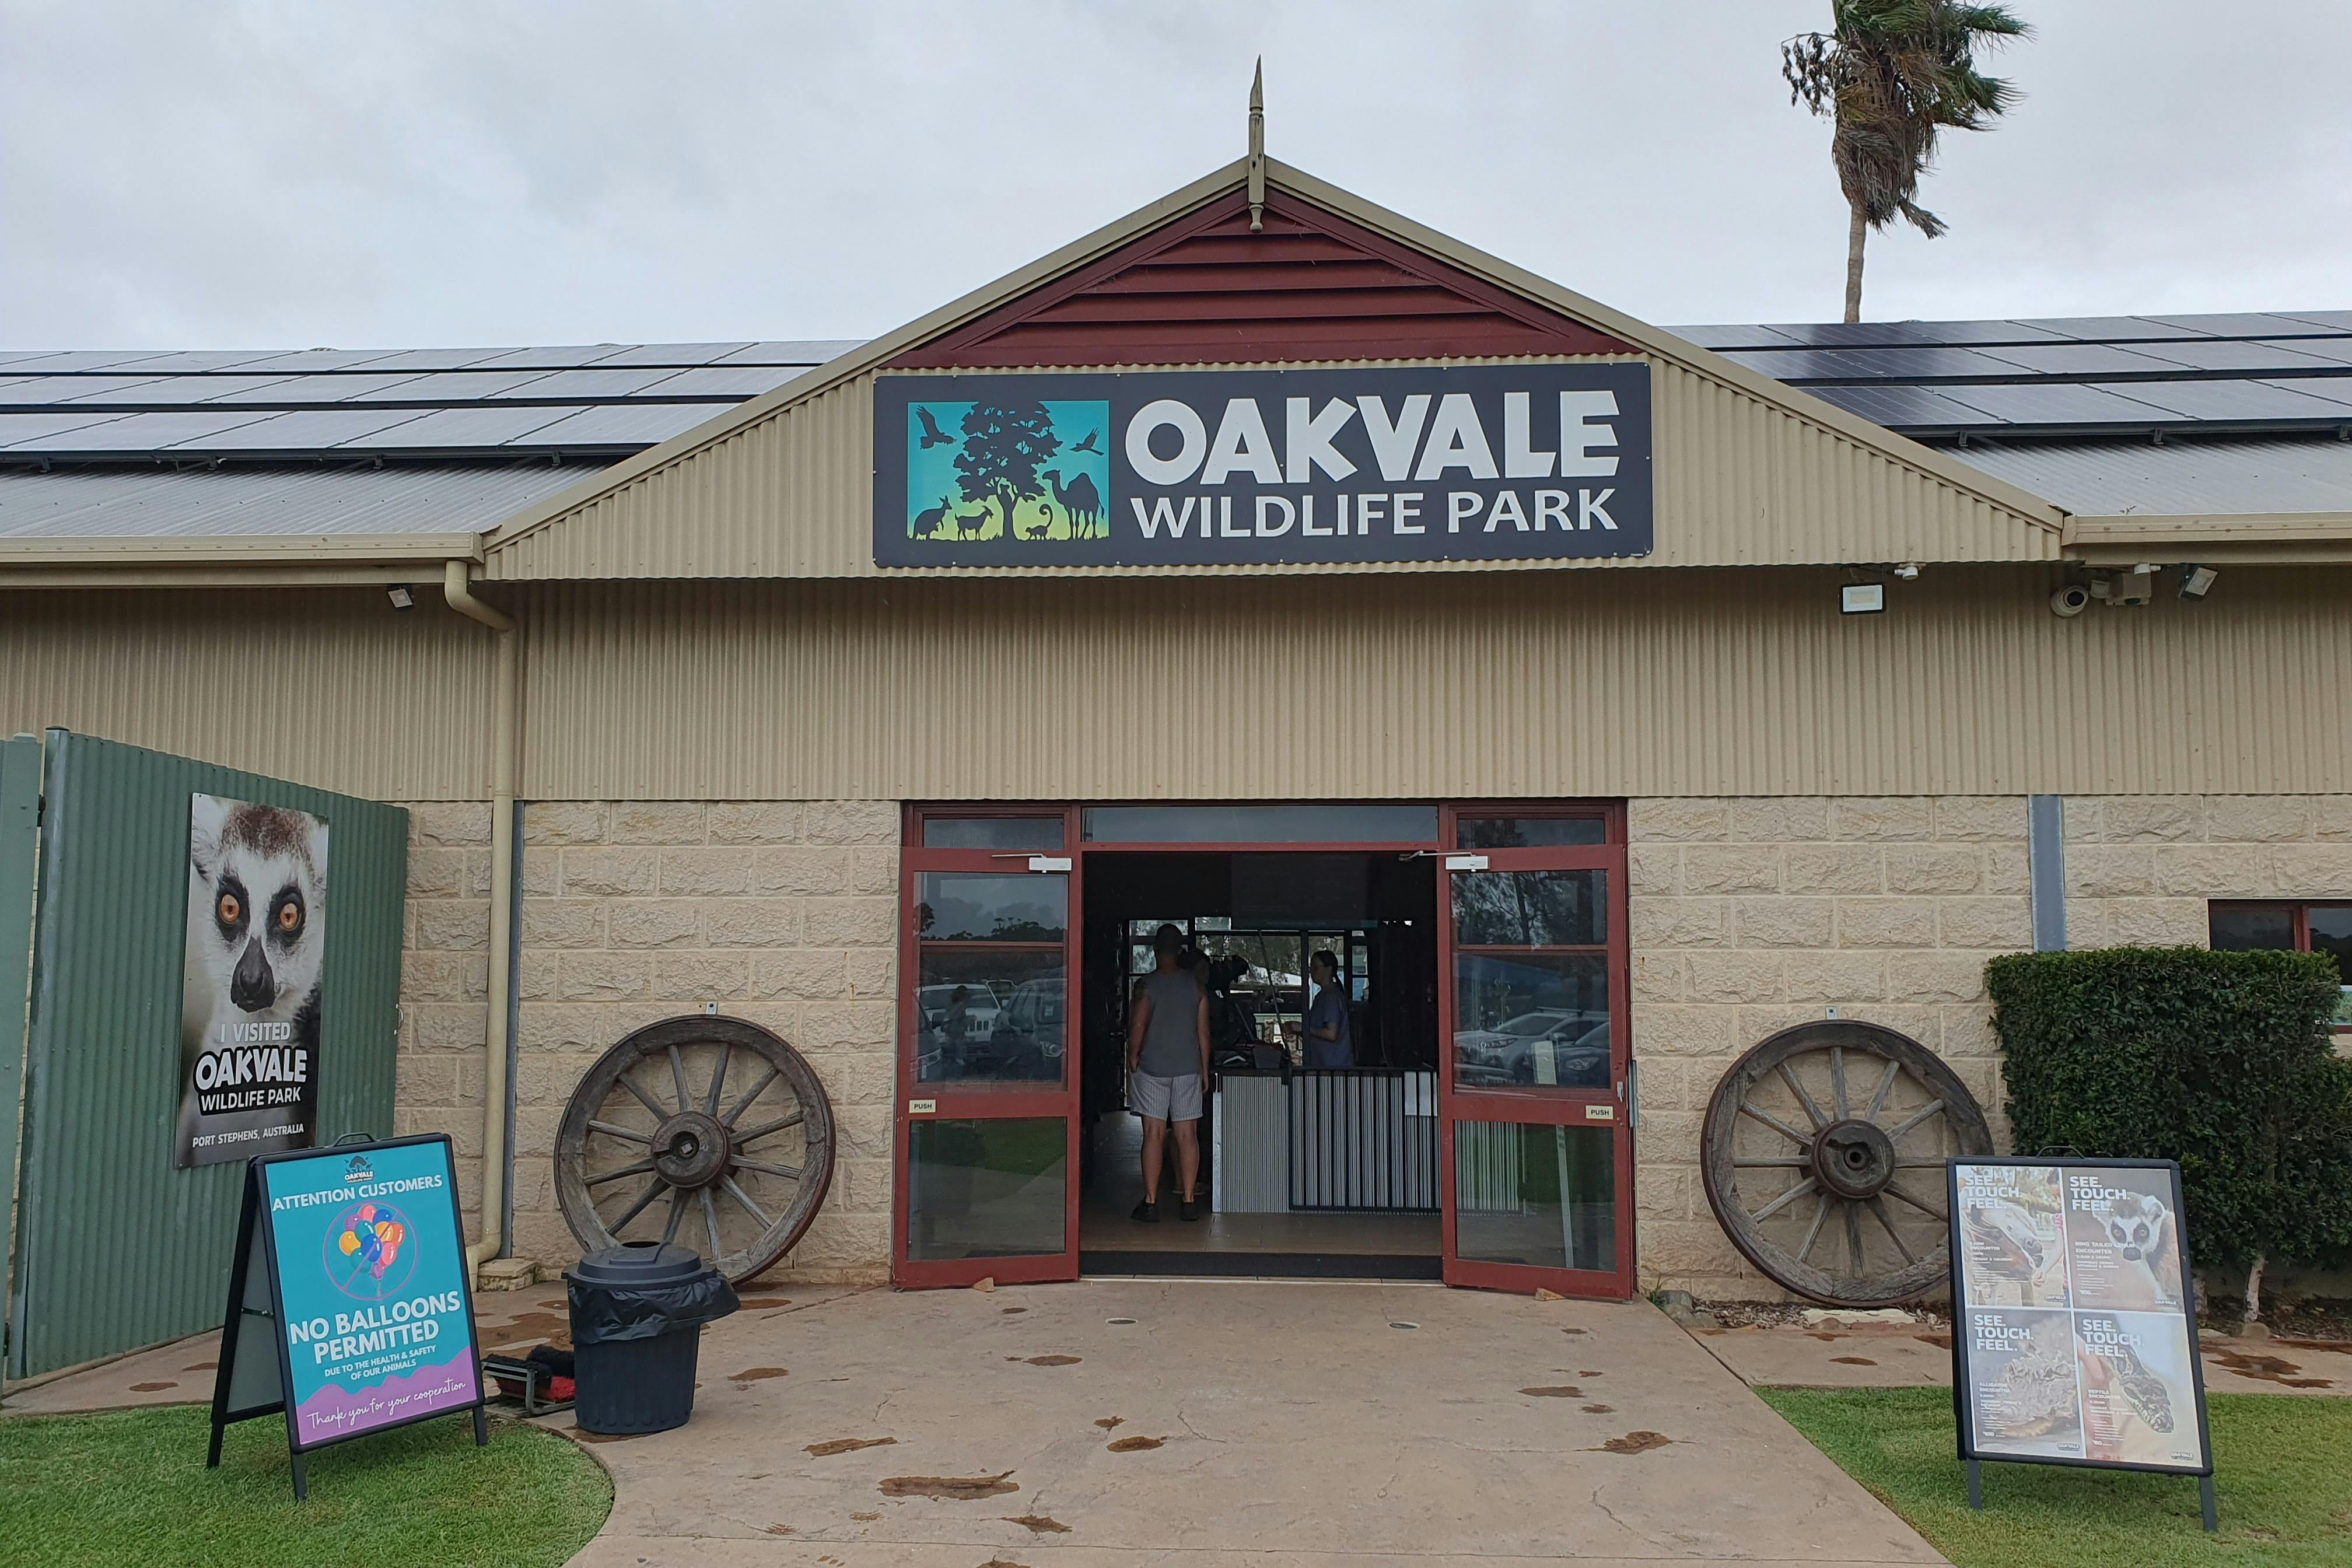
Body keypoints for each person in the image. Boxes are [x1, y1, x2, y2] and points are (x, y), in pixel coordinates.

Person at [1126, 922, 1209, 1222]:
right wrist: (1204, 1070)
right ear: (1181, 951)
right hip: (1188, 1069)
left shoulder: (1148, 986)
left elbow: (1138, 1025)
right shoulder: (1196, 987)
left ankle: (1150, 1202)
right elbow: (1203, 1033)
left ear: (1154, 950)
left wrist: (1133, 1056)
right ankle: (1188, 1201)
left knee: (1154, 1134)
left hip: (1153, 1069)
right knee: (1188, 1136)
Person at [1303, 950, 1353, 1069]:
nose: (1311, 972)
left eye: (1315, 968)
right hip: (1322, 1065)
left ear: (1329, 969)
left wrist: (1303, 1029)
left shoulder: (1332, 997)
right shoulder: (1321, 996)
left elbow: (1331, 1034)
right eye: (1310, 968)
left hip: (1334, 1068)